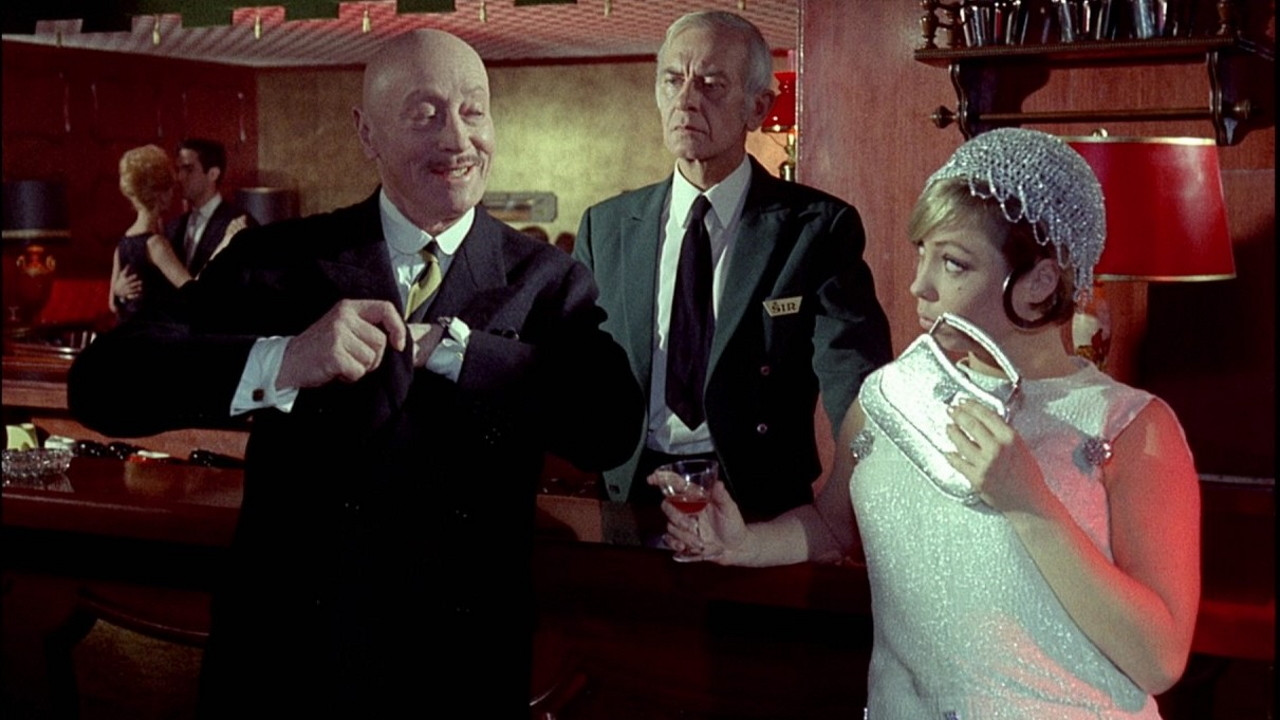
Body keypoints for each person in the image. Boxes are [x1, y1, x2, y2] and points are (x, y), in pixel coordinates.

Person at [69, 29, 642, 718]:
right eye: (425, 114)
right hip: (286, 666)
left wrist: (458, 352)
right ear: (367, 133)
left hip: (460, 671)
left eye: (473, 110)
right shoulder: (277, 259)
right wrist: (284, 359)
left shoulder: (550, 281)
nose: (457, 138)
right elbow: (101, 383)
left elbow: (612, 427)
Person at [656, 128, 1201, 718]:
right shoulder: (889, 396)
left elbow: (1159, 659)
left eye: (953, 262)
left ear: (1039, 282)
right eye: (922, 252)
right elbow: (834, 527)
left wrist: (1029, 504)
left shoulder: (1130, 427)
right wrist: (742, 543)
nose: (921, 285)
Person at [573, 11, 892, 522]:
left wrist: (867, 497)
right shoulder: (605, 227)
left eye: (711, 84)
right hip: (632, 495)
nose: (686, 100)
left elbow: (853, 377)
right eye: (672, 80)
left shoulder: (815, 228)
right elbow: (576, 371)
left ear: (757, 107)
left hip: (758, 502)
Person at [109, 144, 190, 321]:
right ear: (160, 194)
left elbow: (113, 304)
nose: (173, 194)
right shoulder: (155, 244)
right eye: (170, 188)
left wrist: (119, 292)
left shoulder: (123, 244)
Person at [167, 138, 254, 277]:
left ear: (213, 174)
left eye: (189, 169)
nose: (180, 177)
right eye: (179, 170)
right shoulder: (174, 227)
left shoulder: (239, 223)